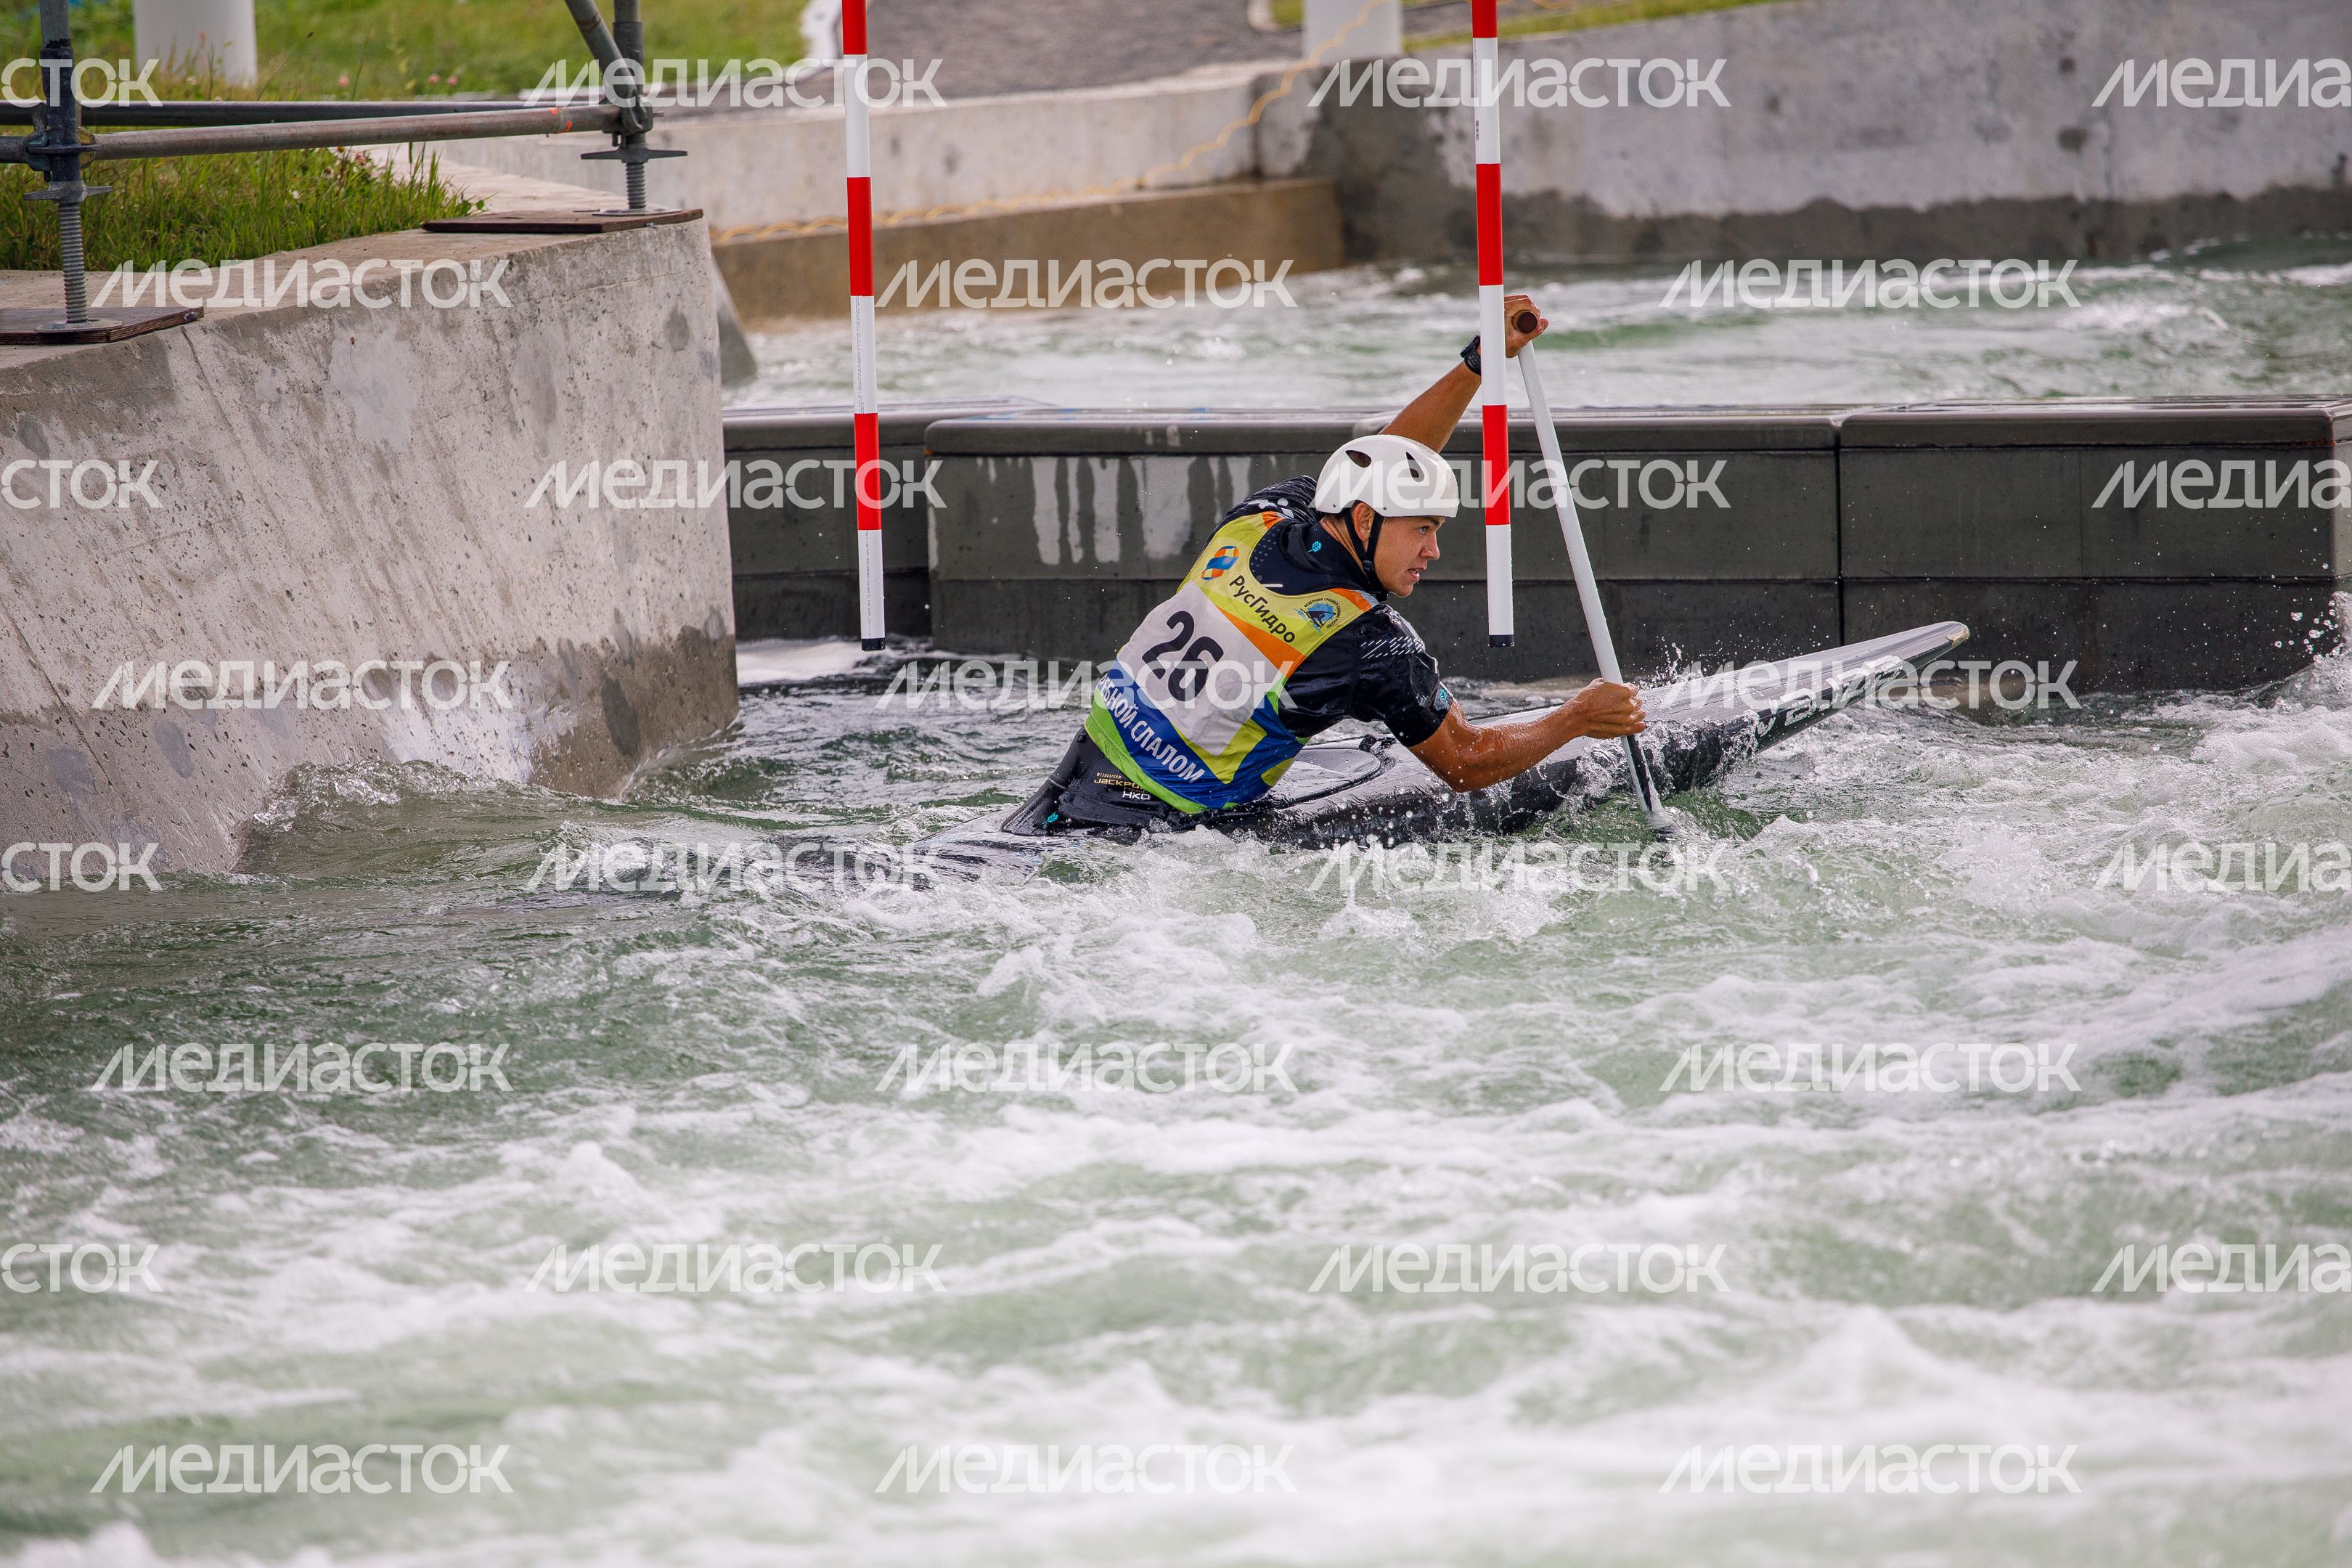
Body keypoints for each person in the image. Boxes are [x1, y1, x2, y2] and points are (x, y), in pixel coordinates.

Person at [1029, 294, 1646, 833]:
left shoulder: (1262, 517)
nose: (1434, 551)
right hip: (1161, 844)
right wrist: (1576, 717)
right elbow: (1468, 761)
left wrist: (1480, 366)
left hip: (1060, 795)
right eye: (1422, 529)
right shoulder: (1367, 640)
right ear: (1361, 520)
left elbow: (1380, 460)